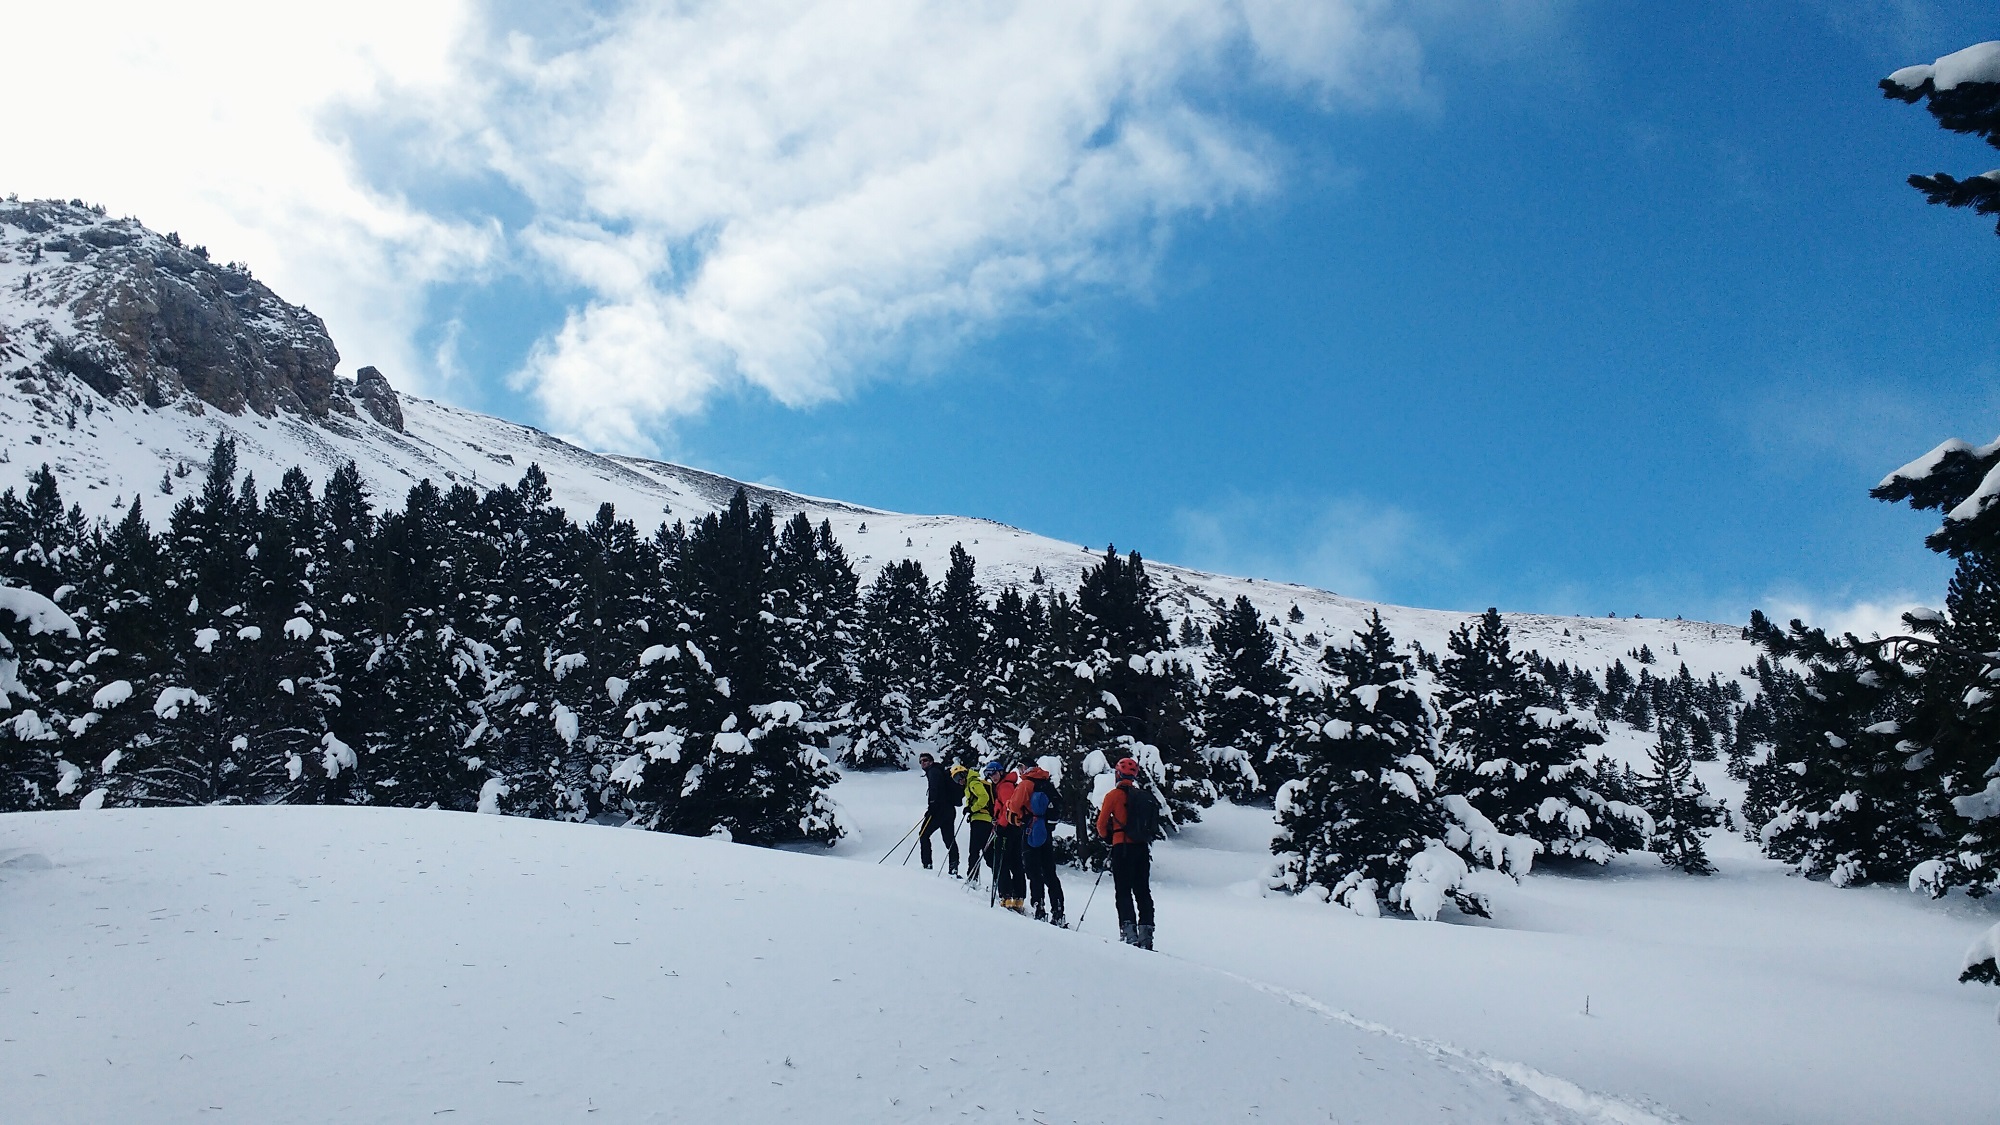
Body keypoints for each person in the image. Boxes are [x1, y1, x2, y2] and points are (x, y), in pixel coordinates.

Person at [1094, 756, 1155, 949]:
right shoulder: (1143, 797)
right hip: (1142, 848)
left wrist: (1108, 837)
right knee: (1143, 891)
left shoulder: (1113, 796)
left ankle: (1129, 933)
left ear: (1118, 774)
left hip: (1122, 847)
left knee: (1123, 891)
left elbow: (1101, 825)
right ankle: (1147, 934)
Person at [1018, 765, 1065, 926]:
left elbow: (1015, 806)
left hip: (1030, 829)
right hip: (1046, 830)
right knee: (1050, 872)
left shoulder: (1026, 784)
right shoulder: (1046, 783)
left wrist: (1017, 819)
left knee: (1033, 871)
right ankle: (1058, 910)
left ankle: (1039, 906)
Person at [916, 751, 960, 875]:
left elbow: (935, 790)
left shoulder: (933, 772)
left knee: (923, 834)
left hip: (939, 811)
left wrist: (932, 807)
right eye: (921, 761)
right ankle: (954, 866)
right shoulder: (939, 770)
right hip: (949, 810)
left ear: (930, 761)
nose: (922, 763)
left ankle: (927, 865)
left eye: (925, 760)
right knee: (949, 838)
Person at [992, 762, 1028, 913]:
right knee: (1015, 863)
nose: (991, 777)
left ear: (1000, 772)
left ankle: (1006, 896)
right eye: (989, 774)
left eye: (994, 773)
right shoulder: (1007, 784)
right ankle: (1018, 898)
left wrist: (1001, 825)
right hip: (1015, 828)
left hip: (1007, 829)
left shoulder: (1005, 786)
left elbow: (1008, 807)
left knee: (1001, 863)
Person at [962, 761, 996, 884]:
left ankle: (972, 877)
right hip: (982, 820)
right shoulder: (971, 783)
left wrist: (972, 809)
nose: (958, 781)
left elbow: (984, 797)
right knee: (986, 852)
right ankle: (998, 879)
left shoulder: (973, 782)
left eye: (959, 777)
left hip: (980, 820)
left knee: (975, 851)